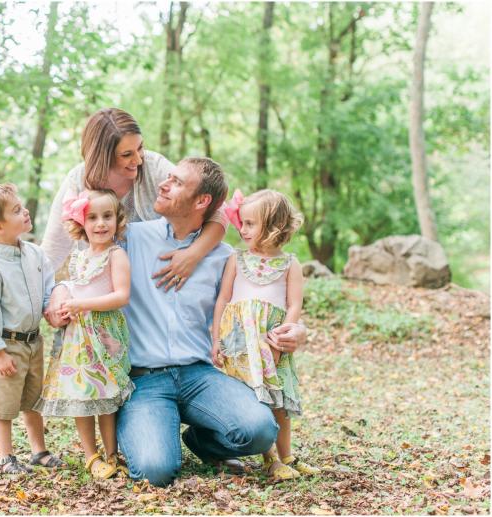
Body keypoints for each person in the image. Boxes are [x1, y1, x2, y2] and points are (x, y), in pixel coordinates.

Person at [112, 157, 307, 487]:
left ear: (202, 201)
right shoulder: (132, 238)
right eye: (167, 178)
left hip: (200, 375)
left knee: (260, 431)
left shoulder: (223, 257)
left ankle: (201, 441)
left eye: (176, 182)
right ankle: (151, 427)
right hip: (145, 379)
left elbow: (265, 302)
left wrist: (299, 331)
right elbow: (84, 259)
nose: (163, 184)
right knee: (156, 471)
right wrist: (59, 294)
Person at [41, 108, 228, 293]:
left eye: (140, 148)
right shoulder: (77, 181)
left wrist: (193, 254)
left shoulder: (153, 167)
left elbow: (218, 209)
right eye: (126, 154)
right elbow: (52, 251)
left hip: (150, 289)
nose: (138, 160)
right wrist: (51, 299)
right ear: (102, 157)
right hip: (99, 292)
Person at [212, 189, 320, 481]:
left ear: (273, 227)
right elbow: (223, 299)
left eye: (250, 224)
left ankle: (287, 456)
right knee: (254, 399)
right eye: (242, 223)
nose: (242, 229)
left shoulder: (289, 263)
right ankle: (270, 459)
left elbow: (293, 304)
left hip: (270, 341)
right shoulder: (238, 259)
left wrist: (283, 337)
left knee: (277, 402)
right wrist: (215, 340)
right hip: (238, 341)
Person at [34, 189, 133, 479]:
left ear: (117, 220)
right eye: (92, 217)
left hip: (104, 336)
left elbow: (121, 296)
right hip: (77, 338)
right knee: (82, 395)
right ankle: (92, 456)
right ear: (81, 222)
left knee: (106, 397)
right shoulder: (78, 256)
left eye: (107, 216)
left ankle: (112, 454)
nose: (100, 224)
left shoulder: (117, 255)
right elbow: (72, 285)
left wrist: (82, 304)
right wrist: (63, 299)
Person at [0, 184, 64, 474]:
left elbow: (48, 284)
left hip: (34, 340)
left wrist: (51, 308)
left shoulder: (34, 254)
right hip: (7, 345)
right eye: (16, 210)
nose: (25, 212)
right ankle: (6, 457)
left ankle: (39, 451)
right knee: (5, 402)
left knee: (33, 398)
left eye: (22, 206)